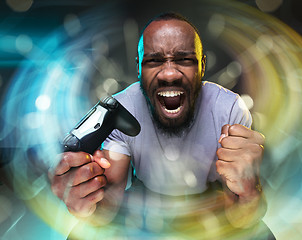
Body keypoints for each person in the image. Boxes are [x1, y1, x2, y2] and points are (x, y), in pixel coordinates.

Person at [50, 12, 269, 238]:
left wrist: (251, 193)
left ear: (202, 66)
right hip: (145, 201)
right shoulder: (122, 109)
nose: (169, 74)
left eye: (184, 59)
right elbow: (110, 201)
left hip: (209, 200)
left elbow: (241, 212)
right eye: (154, 61)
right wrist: (85, 199)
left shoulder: (229, 107)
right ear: (139, 69)